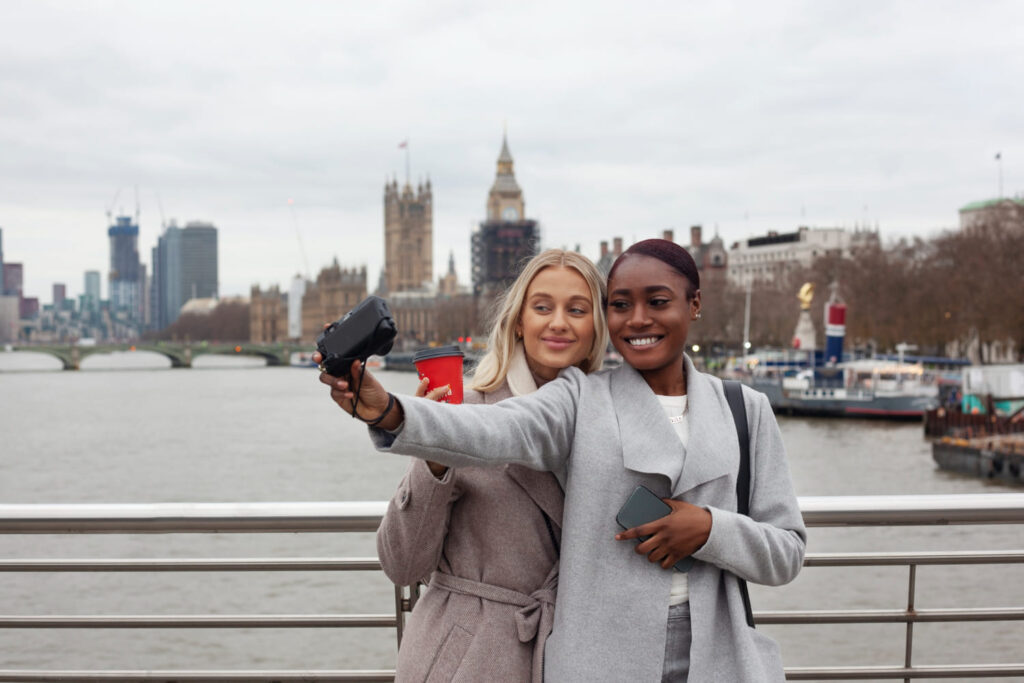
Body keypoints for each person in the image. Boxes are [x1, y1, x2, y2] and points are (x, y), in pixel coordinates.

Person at [320, 239, 806, 682]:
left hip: (696, 655)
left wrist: (708, 528)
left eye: (578, 308)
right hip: (517, 656)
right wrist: (396, 414)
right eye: (621, 305)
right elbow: (496, 430)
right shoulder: (570, 400)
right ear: (519, 319)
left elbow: (786, 550)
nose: (638, 319)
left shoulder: (744, 410)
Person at [374, 249, 608, 682]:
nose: (558, 322)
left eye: (577, 309)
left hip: (571, 659)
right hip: (471, 658)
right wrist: (433, 456)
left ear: (597, 327)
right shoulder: (466, 413)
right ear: (519, 320)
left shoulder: (614, 424)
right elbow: (402, 565)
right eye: (542, 307)